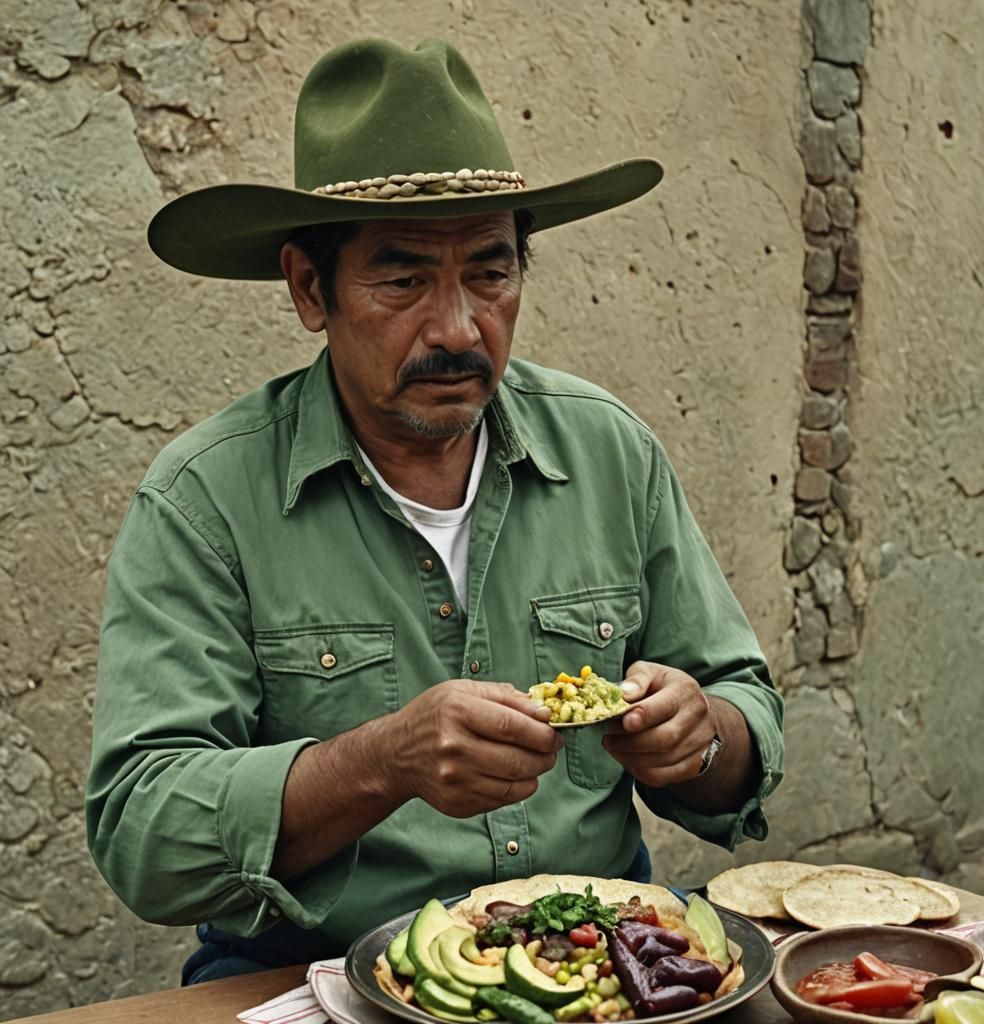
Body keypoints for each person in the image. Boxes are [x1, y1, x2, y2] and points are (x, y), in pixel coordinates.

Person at [85, 37, 784, 985]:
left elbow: (744, 717)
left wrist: (699, 737)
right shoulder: (206, 498)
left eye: (490, 274)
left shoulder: (611, 452)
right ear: (308, 287)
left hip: (602, 962)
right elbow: (145, 829)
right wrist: (380, 762)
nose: (458, 329)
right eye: (404, 279)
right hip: (313, 975)